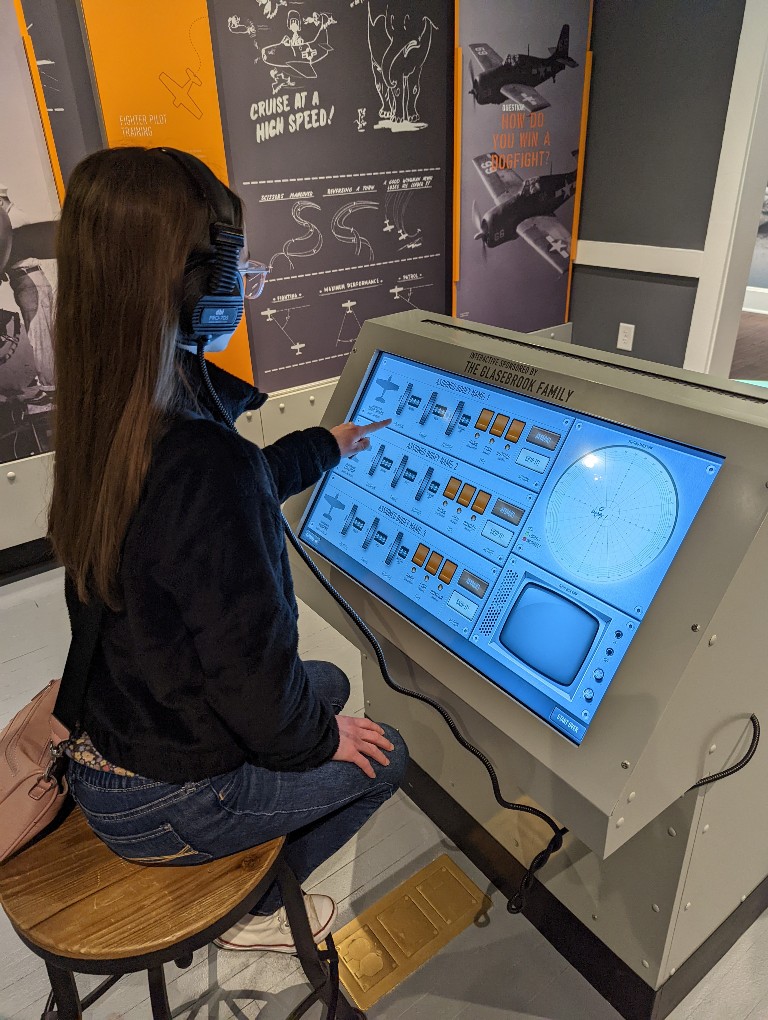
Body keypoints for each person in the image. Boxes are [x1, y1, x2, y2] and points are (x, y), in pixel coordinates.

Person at [48, 147, 408, 953]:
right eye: (234, 261)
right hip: (165, 798)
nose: (245, 281)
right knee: (383, 753)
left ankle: (246, 852)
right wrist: (321, 743)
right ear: (197, 277)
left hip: (112, 739)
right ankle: (248, 907)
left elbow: (205, 509)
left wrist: (324, 446)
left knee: (332, 680)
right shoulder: (207, 466)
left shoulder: (108, 415)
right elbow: (251, 676)